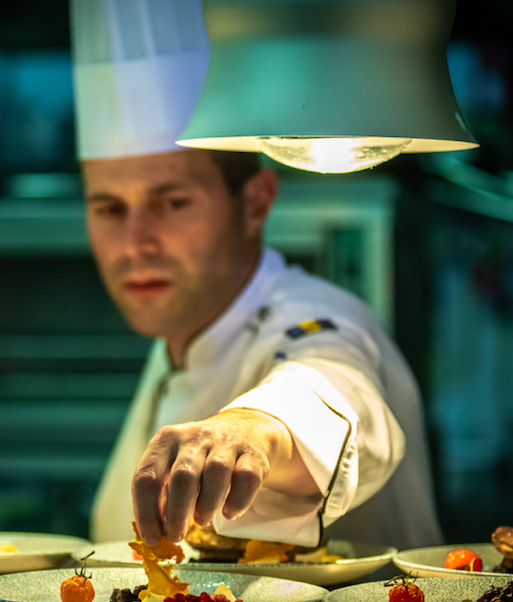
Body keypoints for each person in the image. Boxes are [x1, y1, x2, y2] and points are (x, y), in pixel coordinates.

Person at [71, 0, 443, 551]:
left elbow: (336, 380)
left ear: (255, 203)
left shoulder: (315, 315)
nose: (135, 242)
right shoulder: (181, 337)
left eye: (171, 202)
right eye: (109, 208)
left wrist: (250, 430)